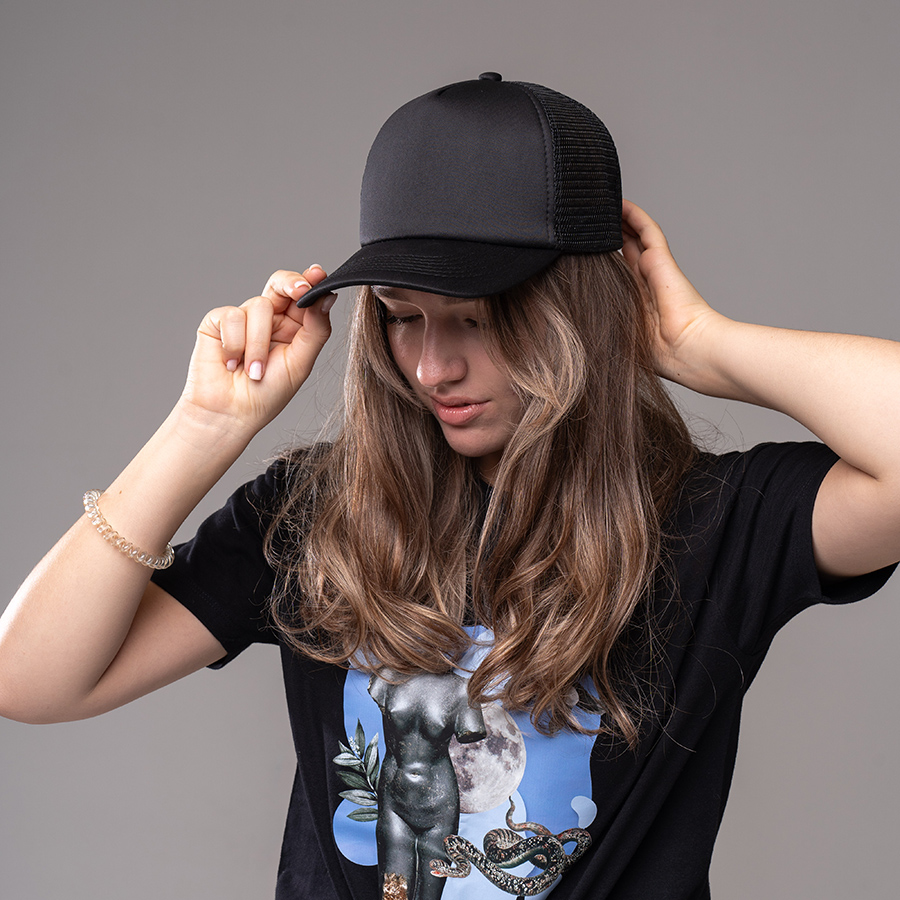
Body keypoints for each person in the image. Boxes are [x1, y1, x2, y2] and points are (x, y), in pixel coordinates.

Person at [0, 72, 898, 900]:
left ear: (576, 312)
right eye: (402, 318)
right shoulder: (318, 514)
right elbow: (30, 681)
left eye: (476, 320)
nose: (433, 367)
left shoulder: (712, 523)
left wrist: (699, 343)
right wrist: (205, 426)